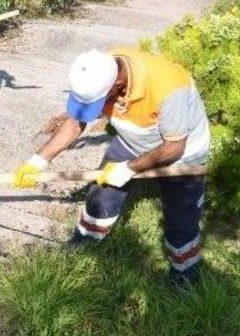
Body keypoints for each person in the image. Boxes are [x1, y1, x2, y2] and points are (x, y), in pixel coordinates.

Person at [13, 48, 210, 284]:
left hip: (182, 154)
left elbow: (173, 148)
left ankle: (184, 271)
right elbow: (76, 124)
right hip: (133, 141)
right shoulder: (99, 68)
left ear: (117, 85)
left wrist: (129, 169)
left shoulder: (169, 89)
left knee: (181, 215)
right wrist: (39, 160)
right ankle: (87, 239)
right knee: (102, 192)